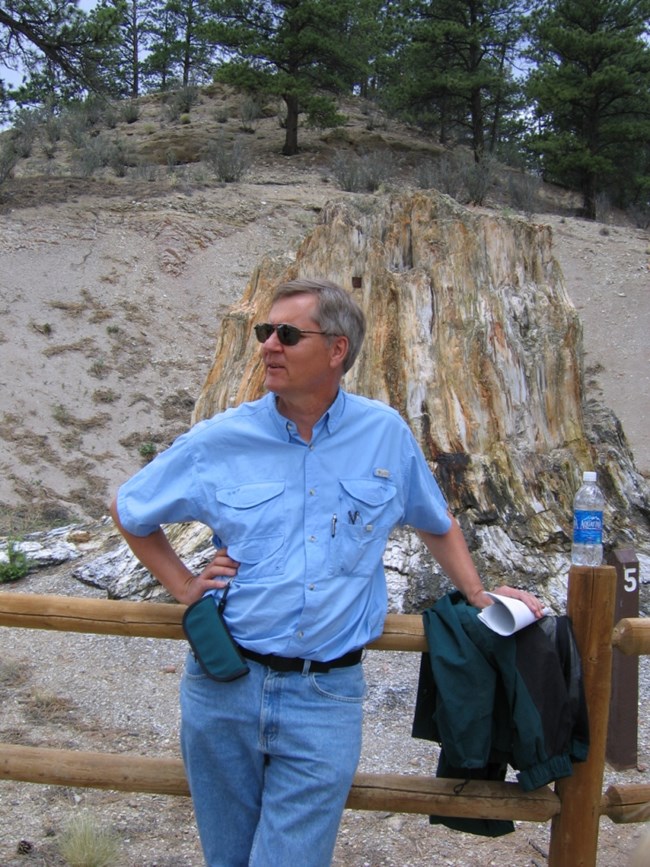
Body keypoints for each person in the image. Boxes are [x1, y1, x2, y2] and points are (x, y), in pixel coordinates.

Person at [110, 277, 543, 867]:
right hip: (223, 690)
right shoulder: (221, 438)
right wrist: (184, 584)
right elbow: (130, 508)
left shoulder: (384, 434)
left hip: (325, 695)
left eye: (287, 334)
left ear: (337, 350)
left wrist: (475, 591)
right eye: (265, 333)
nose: (268, 346)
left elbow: (435, 521)